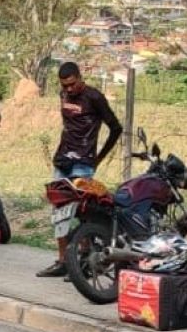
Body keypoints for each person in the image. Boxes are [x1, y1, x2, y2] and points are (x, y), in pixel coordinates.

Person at [37, 61, 124, 278]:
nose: (68, 89)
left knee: (83, 213)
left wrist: (100, 157)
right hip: (62, 161)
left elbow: (116, 127)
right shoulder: (63, 95)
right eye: (64, 85)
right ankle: (63, 261)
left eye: (72, 84)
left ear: (80, 78)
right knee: (59, 213)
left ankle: (84, 262)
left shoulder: (94, 97)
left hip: (83, 163)